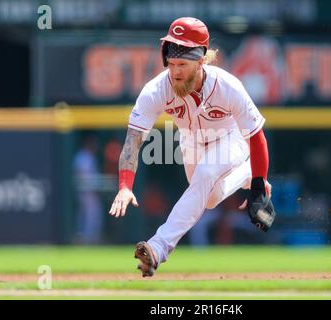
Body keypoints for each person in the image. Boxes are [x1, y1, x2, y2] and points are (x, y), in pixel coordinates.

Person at [109, 17, 276, 277]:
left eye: (182, 64)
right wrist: (125, 186)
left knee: (206, 175)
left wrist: (259, 184)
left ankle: (157, 248)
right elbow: (134, 139)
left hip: (231, 140)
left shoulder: (228, 86)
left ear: (202, 60)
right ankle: (244, 174)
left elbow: (256, 136)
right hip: (191, 143)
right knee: (207, 199)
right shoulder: (156, 90)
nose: (175, 71)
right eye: (171, 63)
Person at [73, 134, 104, 244]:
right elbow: (81, 175)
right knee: (89, 214)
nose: (94, 145)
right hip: (84, 189)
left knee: (91, 213)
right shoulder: (82, 156)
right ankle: (85, 237)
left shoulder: (91, 157)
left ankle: (88, 237)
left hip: (90, 189)